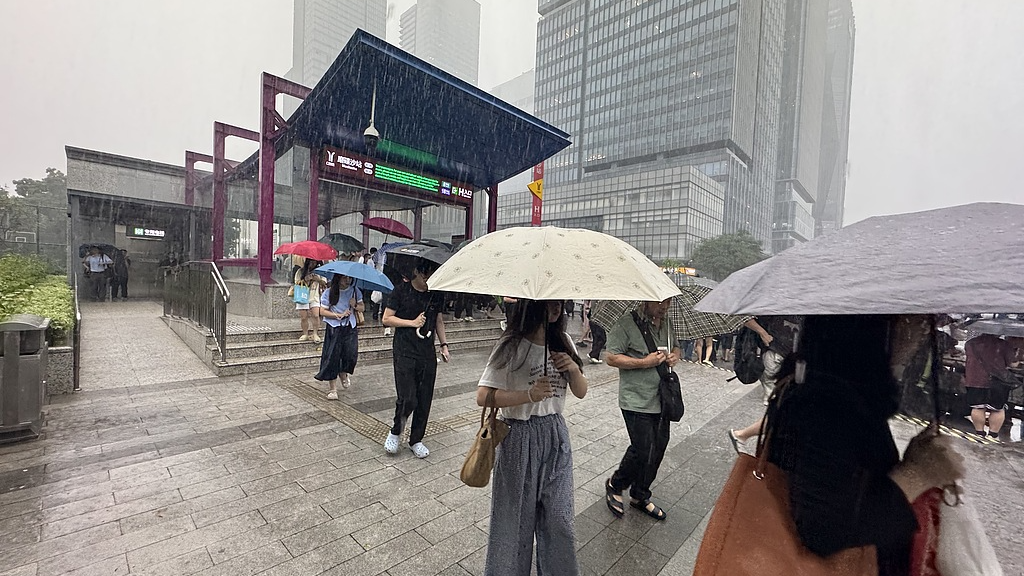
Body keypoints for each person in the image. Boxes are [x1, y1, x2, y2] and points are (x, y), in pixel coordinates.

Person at [758, 315, 965, 576]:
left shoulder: (832, 390)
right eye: (910, 319)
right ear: (866, 328)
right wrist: (917, 475)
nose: (920, 332)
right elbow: (822, 530)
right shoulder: (825, 406)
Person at [477, 299, 588, 576]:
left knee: (560, 519)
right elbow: (483, 396)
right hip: (518, 435)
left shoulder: (563, 341)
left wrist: (572, 369)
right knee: (514, 521)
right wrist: (528, 395)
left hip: (555, 435)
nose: (556, 309)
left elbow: (582, 391)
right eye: (549, 304)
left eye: (559, 304)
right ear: (532, 305)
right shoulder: (511, 345)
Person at [604, 298, 680, 521]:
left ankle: (640, 494)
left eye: (668, 303)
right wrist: (644, 363)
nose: (665, 307)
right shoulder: (626, 323)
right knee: (642, 448)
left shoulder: (666, 324)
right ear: (646, 301)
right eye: (661, 303)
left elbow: (675, 345)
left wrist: (675, 355)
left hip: (662, 398)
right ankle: (615, 484)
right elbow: (611, 357)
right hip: (635, 399)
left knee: (659, 447)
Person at [381, 259, 450, 458]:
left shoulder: (436, 294)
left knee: (424, 397)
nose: (429, 280)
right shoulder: (400, 291)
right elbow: (386, 319)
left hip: (426, 352)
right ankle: (396, 431)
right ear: (418, 273)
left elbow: (438, 320)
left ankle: (416, 439)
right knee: (408, 397)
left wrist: (444, 345)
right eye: (426, 275)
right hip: (404, 350)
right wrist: (411, 323)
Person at [728, 316, 799, 451]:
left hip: (789, 361)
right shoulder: (773, 300)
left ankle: (744, 436)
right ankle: (748, 438)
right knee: (780, 410)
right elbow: (744, 317)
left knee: (783, 409)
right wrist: (763, 333)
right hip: (774, 357)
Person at [964, 333, 1022, 441]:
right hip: (997, 381)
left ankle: (979, 433)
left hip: (975, 379)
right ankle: (993, 435)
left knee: (978, 407)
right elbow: (1012, 364)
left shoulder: (970, 343)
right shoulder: (1003, 344)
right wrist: (1016, 355)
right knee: (997, 409)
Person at [314, 273, 363, 400]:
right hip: (334, 327)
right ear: (338, 278)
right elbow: (322, 311)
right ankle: (333, 389)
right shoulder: (329, 292)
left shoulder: (354, 291)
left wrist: (355, 305)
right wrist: (337, 315)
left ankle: (343, 373)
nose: (348, 280)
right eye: (344, 277)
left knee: (350, 354)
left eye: (349, 277)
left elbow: (362, 307)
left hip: (350, 327)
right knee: (332, 357)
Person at [294, 259, 327, 343]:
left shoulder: (320, 272)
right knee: (304, 316)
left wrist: (317, 279)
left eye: (314, 262)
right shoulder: (300, 271)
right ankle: (305, 333)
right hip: (302, 295)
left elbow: (325, 284)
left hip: (314, 295)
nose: (312, 264)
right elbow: (296, 283)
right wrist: (305, 279)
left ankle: (315, 333)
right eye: (311, 262)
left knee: (316, 315)